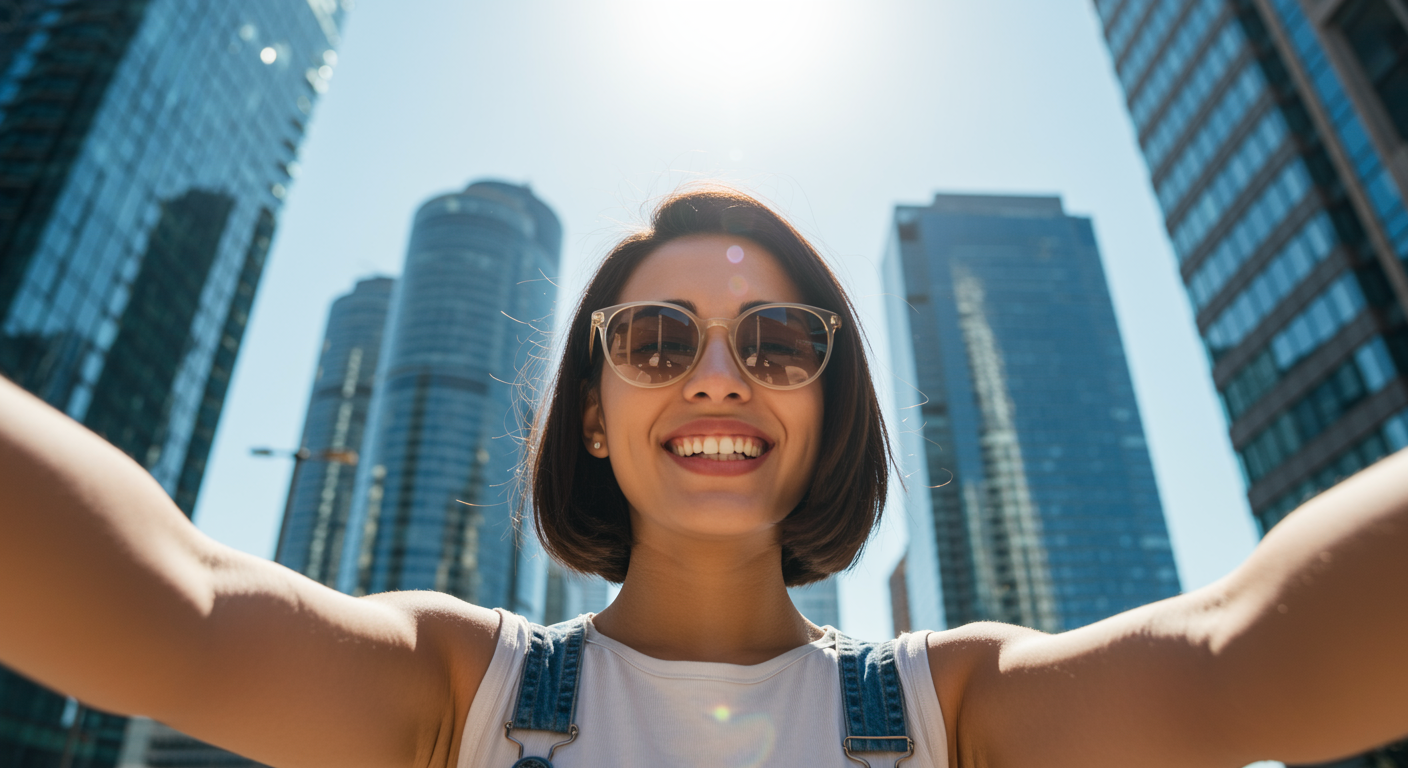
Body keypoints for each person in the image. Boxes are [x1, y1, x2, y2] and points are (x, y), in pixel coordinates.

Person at [1, 187, 1406, 768]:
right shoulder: (457, 698)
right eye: (657, 339)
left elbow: (1238, 657)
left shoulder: (953, 715)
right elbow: (170, 600)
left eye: (780, 342)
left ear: (829, 402)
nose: (720, 374)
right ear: (598, 418)